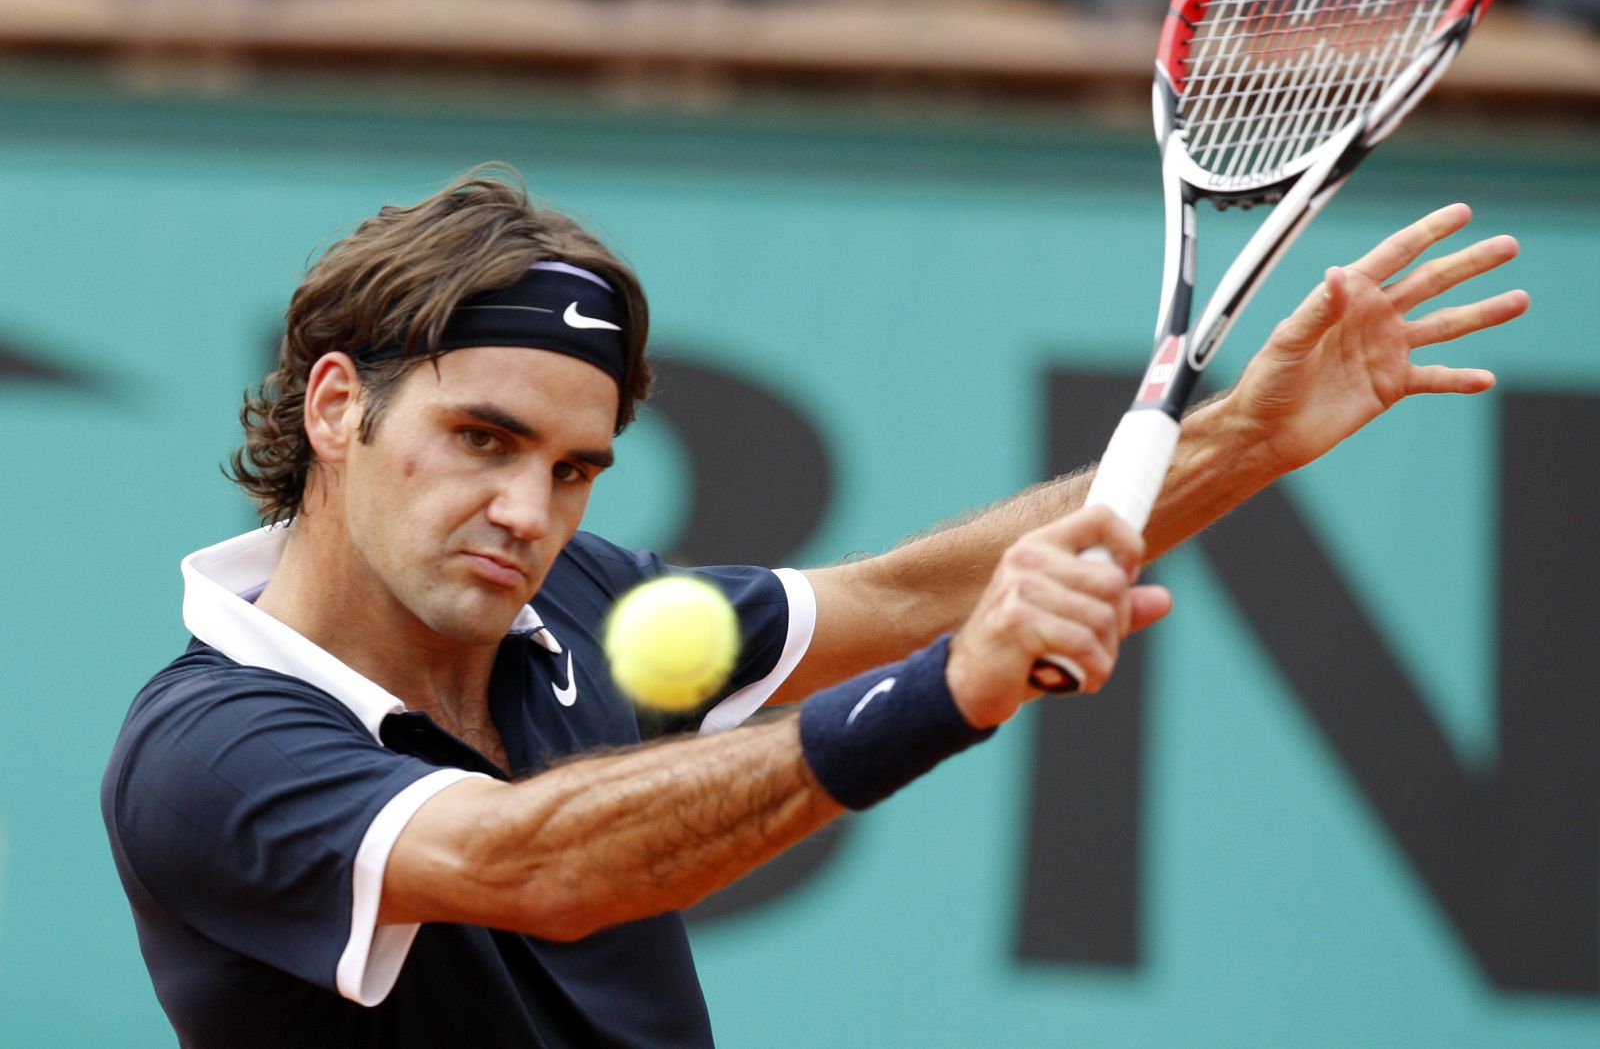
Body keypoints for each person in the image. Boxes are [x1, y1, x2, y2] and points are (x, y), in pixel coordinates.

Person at [101, 166, 1526, 1048]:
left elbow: (902, 594)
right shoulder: (210, 753)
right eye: (482, 438)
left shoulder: (583, 598)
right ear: (339, 405)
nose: (531, 512)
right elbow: (551, 868)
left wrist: (1251, 436)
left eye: (575, 468)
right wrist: (947, 690)